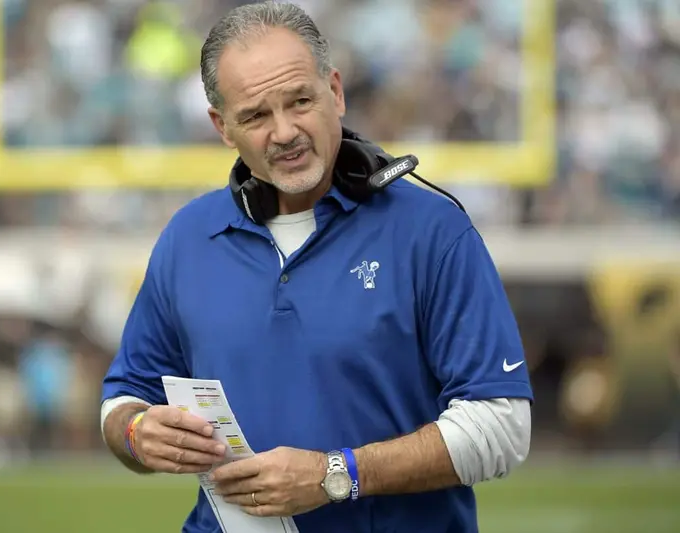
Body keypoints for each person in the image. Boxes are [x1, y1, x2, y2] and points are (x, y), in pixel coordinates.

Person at [100, 2, 533, 532]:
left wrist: (336, 474)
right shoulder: (188, 237)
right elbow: (124, 397)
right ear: (222, 126)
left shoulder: (432, 231)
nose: (284, 131)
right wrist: (136, 433)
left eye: (300, 101)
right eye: (255, 116)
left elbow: (503, 426)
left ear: (336, 91)